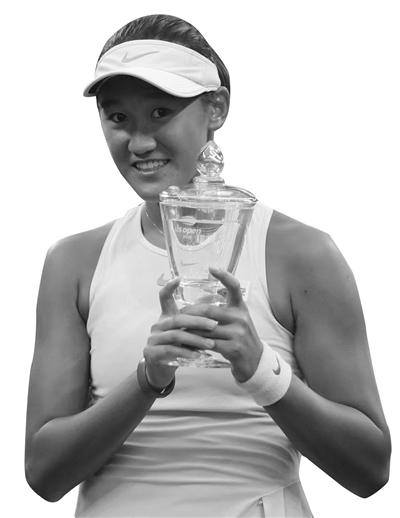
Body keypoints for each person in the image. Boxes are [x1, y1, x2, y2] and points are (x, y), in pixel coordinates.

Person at [25, 14, 391, 518]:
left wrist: (262, 371)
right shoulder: (74, 263)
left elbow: (370, 469)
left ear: (216, 108)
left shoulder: (304, 256)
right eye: (118, 118)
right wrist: (148, 379)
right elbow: (44, 474)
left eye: (160, 112)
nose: (139, 142)